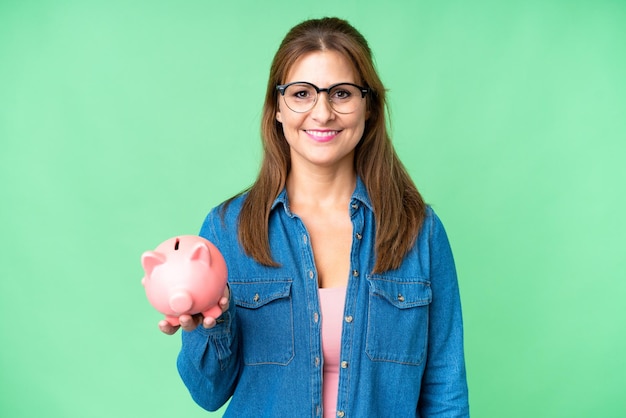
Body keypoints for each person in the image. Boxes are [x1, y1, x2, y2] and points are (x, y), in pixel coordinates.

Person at [160, 16, 469, 417]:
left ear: (368, 107)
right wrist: (209, 326)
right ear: (277, 108)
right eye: (302, 93)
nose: (322, 114)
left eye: (341, 93)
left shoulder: (419, 232)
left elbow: (445, 392)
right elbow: (208, 393)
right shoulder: (226, 230)